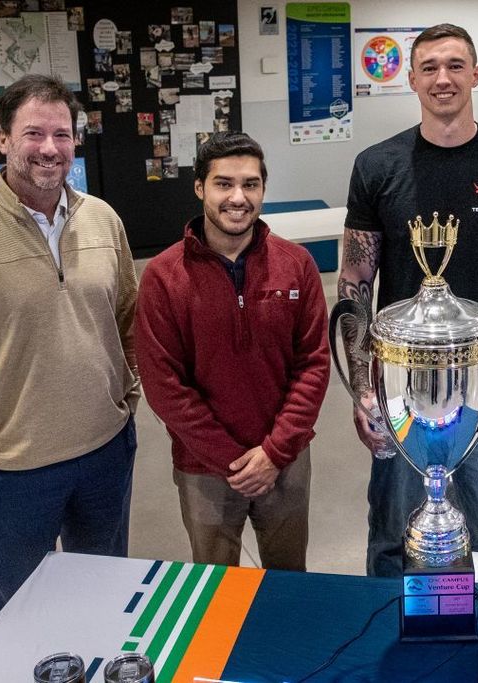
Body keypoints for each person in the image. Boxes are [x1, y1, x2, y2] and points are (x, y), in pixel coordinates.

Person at [0, 74, 139, 622]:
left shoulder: (103, 220)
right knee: (21, 619)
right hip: (12, 470)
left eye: (61, 134)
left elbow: (128, 321)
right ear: (3, 141)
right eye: (33, 133)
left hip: (105, 452)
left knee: (104, 602)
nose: (49, 148)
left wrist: (126, 399)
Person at [339, 23, 478, 578]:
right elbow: (355, 282)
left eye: (455, 65)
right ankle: (387, 628)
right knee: (392, 536)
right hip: (399, 394)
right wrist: (363, 388)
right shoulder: (377, 167)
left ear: (476, 74)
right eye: (429, 67)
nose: (443, 79)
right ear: (411, 80)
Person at [135, 132, 330, 570]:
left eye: (250, 184)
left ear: (263, 189)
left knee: (288, 580)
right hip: (204, 467)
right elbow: (164, 385)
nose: (238, 198)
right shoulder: (164, 277)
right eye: (224, 184)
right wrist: (231, 460)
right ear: (199, 187)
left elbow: (313, 365)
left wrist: (274, 453)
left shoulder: (297, 265)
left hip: (285, 459)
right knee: (215, 586)